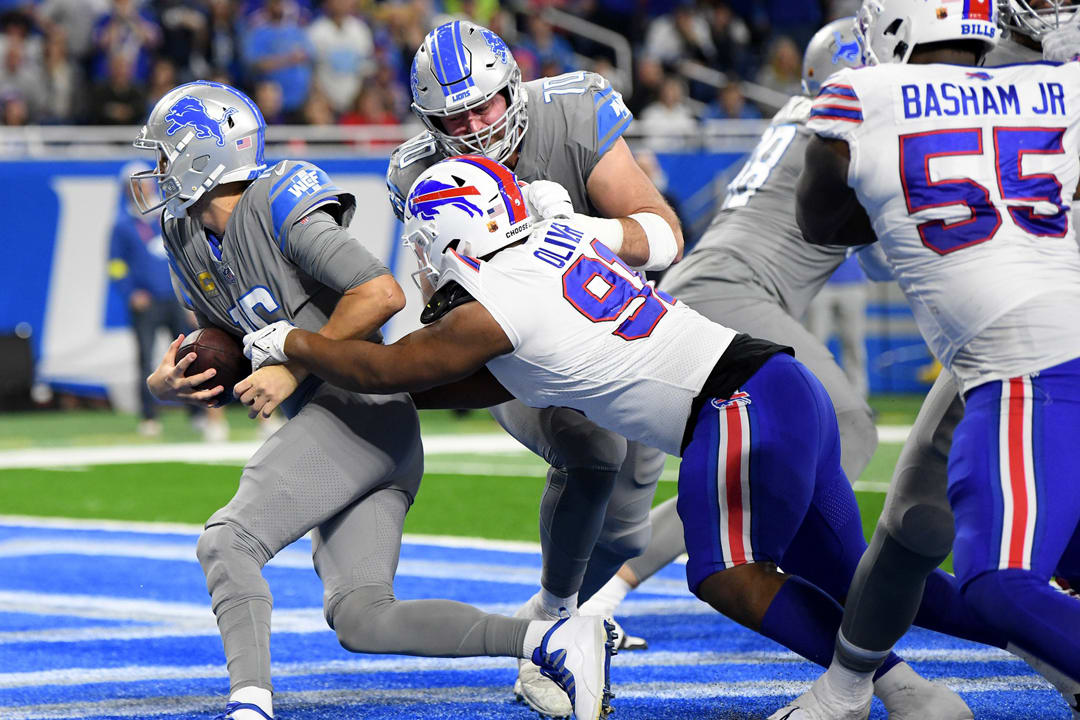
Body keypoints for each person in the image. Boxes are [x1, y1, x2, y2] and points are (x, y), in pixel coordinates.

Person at [244, 156, 1014, 720]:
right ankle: (1031, 644)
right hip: (777, 386)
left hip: (736, 404)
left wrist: (289, 344)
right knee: (866, 582)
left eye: (420, 244)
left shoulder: (493, 304)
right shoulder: (545, 254)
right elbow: (437, 383)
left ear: (447, 236)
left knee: (725, 575)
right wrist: (328, 379)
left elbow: (385, 368)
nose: (419, 264)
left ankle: (865, 692)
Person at [133, 81, 613, 720]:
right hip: (354, 433)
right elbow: (227, 345)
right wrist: (168, 385)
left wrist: (292, 360)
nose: (156, 169)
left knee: (228, 541)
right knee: (363, 618)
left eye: (165, 154)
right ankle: (549, 639)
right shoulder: (184, 231)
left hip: (359, 410)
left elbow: (380, 292)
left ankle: (249, 706)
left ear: (204, 154)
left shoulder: (277, 198)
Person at [787, 1, 1080, 717]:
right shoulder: (1062, 83)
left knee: (1000, 581)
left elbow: (819, 221)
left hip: (1029, 363)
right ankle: (845, 688)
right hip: (1027, 349)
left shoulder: (860, 96)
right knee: (934, 522)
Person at [386, 20, 683, 717]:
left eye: (484, 106)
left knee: (627, 530)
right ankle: (548, 634)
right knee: (591, 453)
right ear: (429, 122)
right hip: (522, 348)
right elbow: (446, 309)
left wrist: (579, 232)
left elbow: (664, 236)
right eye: (454, 118)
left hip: (620, 335)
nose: (474, 127)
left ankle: (562, 614)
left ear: (513, 90)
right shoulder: (417, 172)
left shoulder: (573, 109)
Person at [580, 15, 878, 640]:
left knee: (731, 473)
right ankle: (808, 575)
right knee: (846, 423)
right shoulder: (850, 122)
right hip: (735, 292)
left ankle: (599, 598)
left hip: (704, 284)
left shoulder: (799, 115)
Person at [108, 160, 228, 441]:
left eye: (146, 183)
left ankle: (197, 413)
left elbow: (183, 259)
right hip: (147, 303)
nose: (144, 188)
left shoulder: (167, 216)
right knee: (146, 359)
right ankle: (149, 416)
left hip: (174, 300)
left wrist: (190, 297)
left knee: (190, 356)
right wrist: (130, 292)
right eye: (137, 185)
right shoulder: (123, 226)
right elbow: (115, 265)